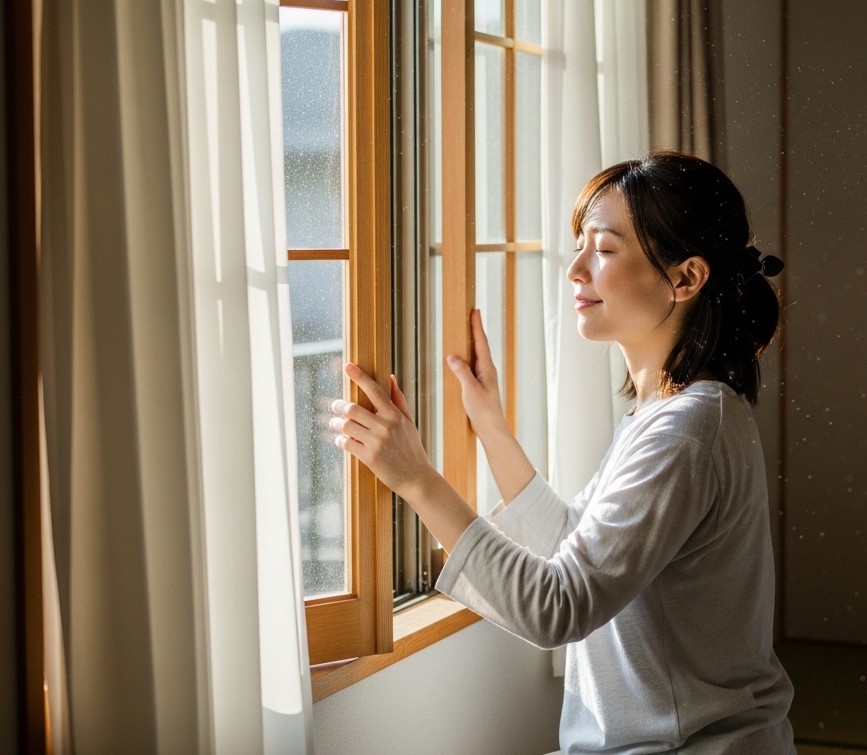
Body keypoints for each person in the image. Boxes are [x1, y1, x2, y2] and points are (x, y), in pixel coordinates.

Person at [330, 151, 795, 754]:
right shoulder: (674, 413)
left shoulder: (687, 429)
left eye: (603, 249)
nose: (576, 269)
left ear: (685, 278)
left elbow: (561, 606)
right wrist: (492, 429)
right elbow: (579, 546)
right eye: (581, 244)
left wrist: (418, 480)